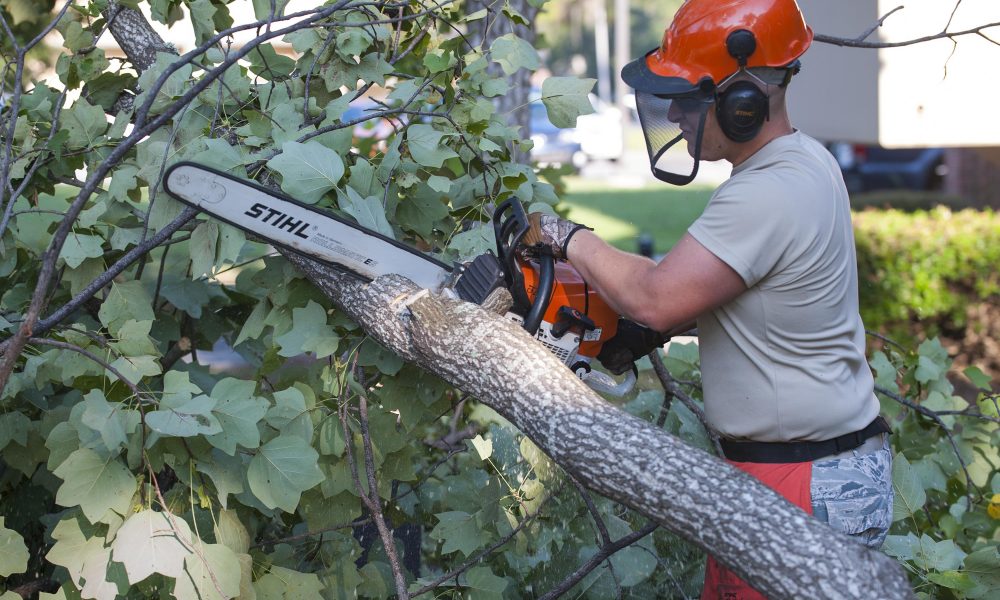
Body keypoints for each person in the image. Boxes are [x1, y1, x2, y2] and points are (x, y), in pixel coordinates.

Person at [520, 0, 893, 597]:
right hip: (799, 466)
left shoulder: (771, 190)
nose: (673, 111)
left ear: (743, 103)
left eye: (687, 96)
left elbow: (658, 297)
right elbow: (697, 290)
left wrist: (568, 238)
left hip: (802, 477)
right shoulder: (802, 163)